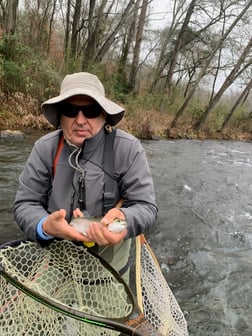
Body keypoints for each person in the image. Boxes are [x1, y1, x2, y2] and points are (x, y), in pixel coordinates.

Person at [14, 72, 158, 282]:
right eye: (71, 110)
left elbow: (146, 207)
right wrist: (44, 226)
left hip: (110, 271)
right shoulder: (44, 149)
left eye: (90, 111)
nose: (80, 120)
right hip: (56, 261)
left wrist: (125, 221)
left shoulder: (128, 149)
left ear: (103, 115)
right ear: (60, 115)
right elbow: (26, 203)